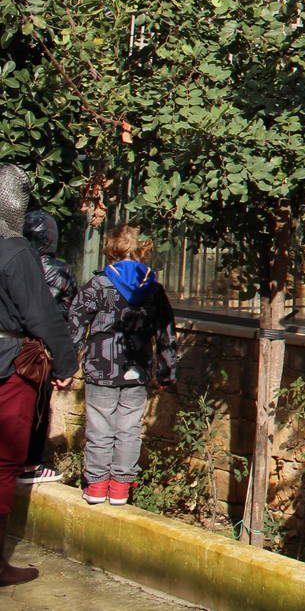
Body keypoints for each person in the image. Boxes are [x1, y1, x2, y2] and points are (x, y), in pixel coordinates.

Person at [0, 164, 77, 586]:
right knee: (3, 464)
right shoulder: (17, 252)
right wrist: (65, 363)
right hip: (7, 363)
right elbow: (42, 316)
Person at [68, 223, 178, 506]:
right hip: (137, 370)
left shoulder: (98, 284)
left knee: (100, 428)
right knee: (129, 428)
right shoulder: (153, 288)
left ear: (110, 249)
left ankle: (96, 486)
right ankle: (120, 489)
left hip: (100, 368)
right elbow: (166, 332)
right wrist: (166, 373)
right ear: (141, 250)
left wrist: (67, 366)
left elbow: (76, 325)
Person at [19, 211, 76, 485]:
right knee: (39, 408)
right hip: (42, 351)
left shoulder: (14, 264)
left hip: (12, 344)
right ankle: (30, 464)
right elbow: (65, 314)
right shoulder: (62, 271)